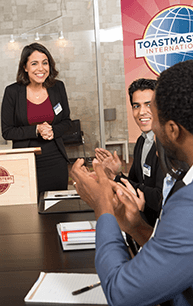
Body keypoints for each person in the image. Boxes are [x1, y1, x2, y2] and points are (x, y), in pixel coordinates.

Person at [71, 59, 193, 306]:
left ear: (172, 130)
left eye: (154, 116)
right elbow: (177, 257)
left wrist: (102, 205)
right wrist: (137, 226)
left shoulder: (188, 205)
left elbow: (122, 294)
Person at [1, 43, 71, 193]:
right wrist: (37, 130)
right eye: (34, 63)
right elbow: (7, 131)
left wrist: (53, 130)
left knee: (57, 205)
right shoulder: (12, 92)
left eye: (45, 63)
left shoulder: (57, 87)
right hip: (25, 161)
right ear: (25, 67)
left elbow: (66, 122)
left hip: (55, 159)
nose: (41, 68)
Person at [95, 78, 164, 227]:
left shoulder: (166, 145)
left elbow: (159, 198)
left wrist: (117, 179)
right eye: (136, 106)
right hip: (142, 222)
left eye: (149, 105)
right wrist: (116, 174)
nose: (142, 112)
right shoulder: (141, 141)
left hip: (161, 229)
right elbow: (134, 183)